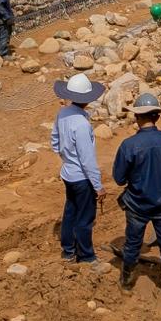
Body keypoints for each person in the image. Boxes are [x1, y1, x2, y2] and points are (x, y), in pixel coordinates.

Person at [113, 94, 161, 298]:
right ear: (157, 117)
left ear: (137, 117)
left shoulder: (129, 145)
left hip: (137, 205)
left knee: (133, 243)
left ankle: (127, 283)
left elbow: (119, 178)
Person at [50, 73, 106, 263]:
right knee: (85, 218)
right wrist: (98, 186)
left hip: (68, 173)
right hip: (82, 178)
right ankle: (87, 256)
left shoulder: (63, 114)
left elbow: (55, 141)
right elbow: (87, 160)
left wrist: (65, 158)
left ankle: (68, 251)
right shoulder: (82, 124)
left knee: (70, 212)